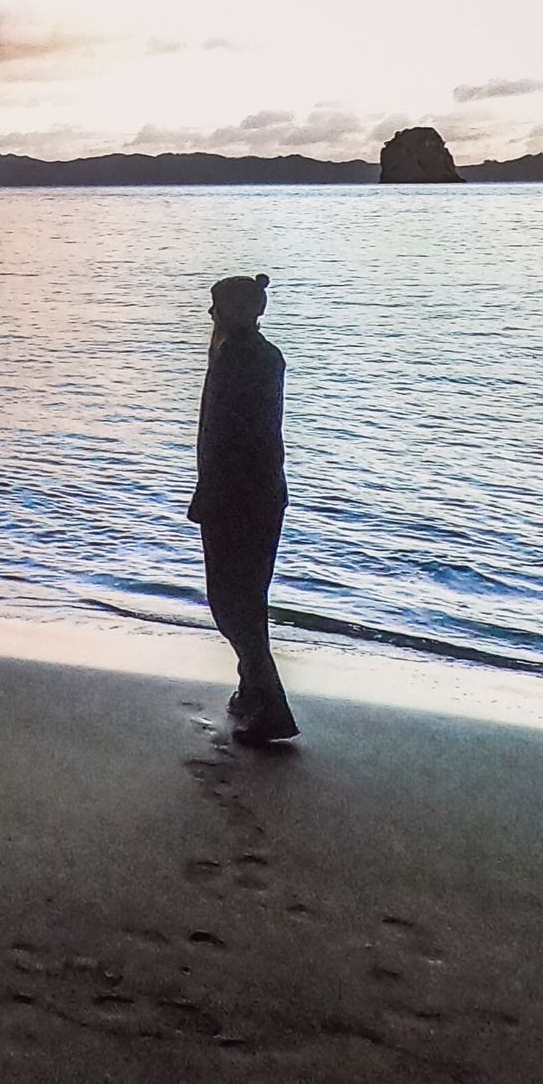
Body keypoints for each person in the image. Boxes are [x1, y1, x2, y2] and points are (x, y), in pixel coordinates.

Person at [189, 272, 298, 745]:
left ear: (231, 312)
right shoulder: (261, 355)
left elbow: (227, 438)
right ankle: (253, 688)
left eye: (216, 306)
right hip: (262, 492)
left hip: (237, 495)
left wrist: (209, 494)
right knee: (246, 598)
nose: (210, 313)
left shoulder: (237, 358)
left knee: (232, 602)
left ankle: (271, 704)